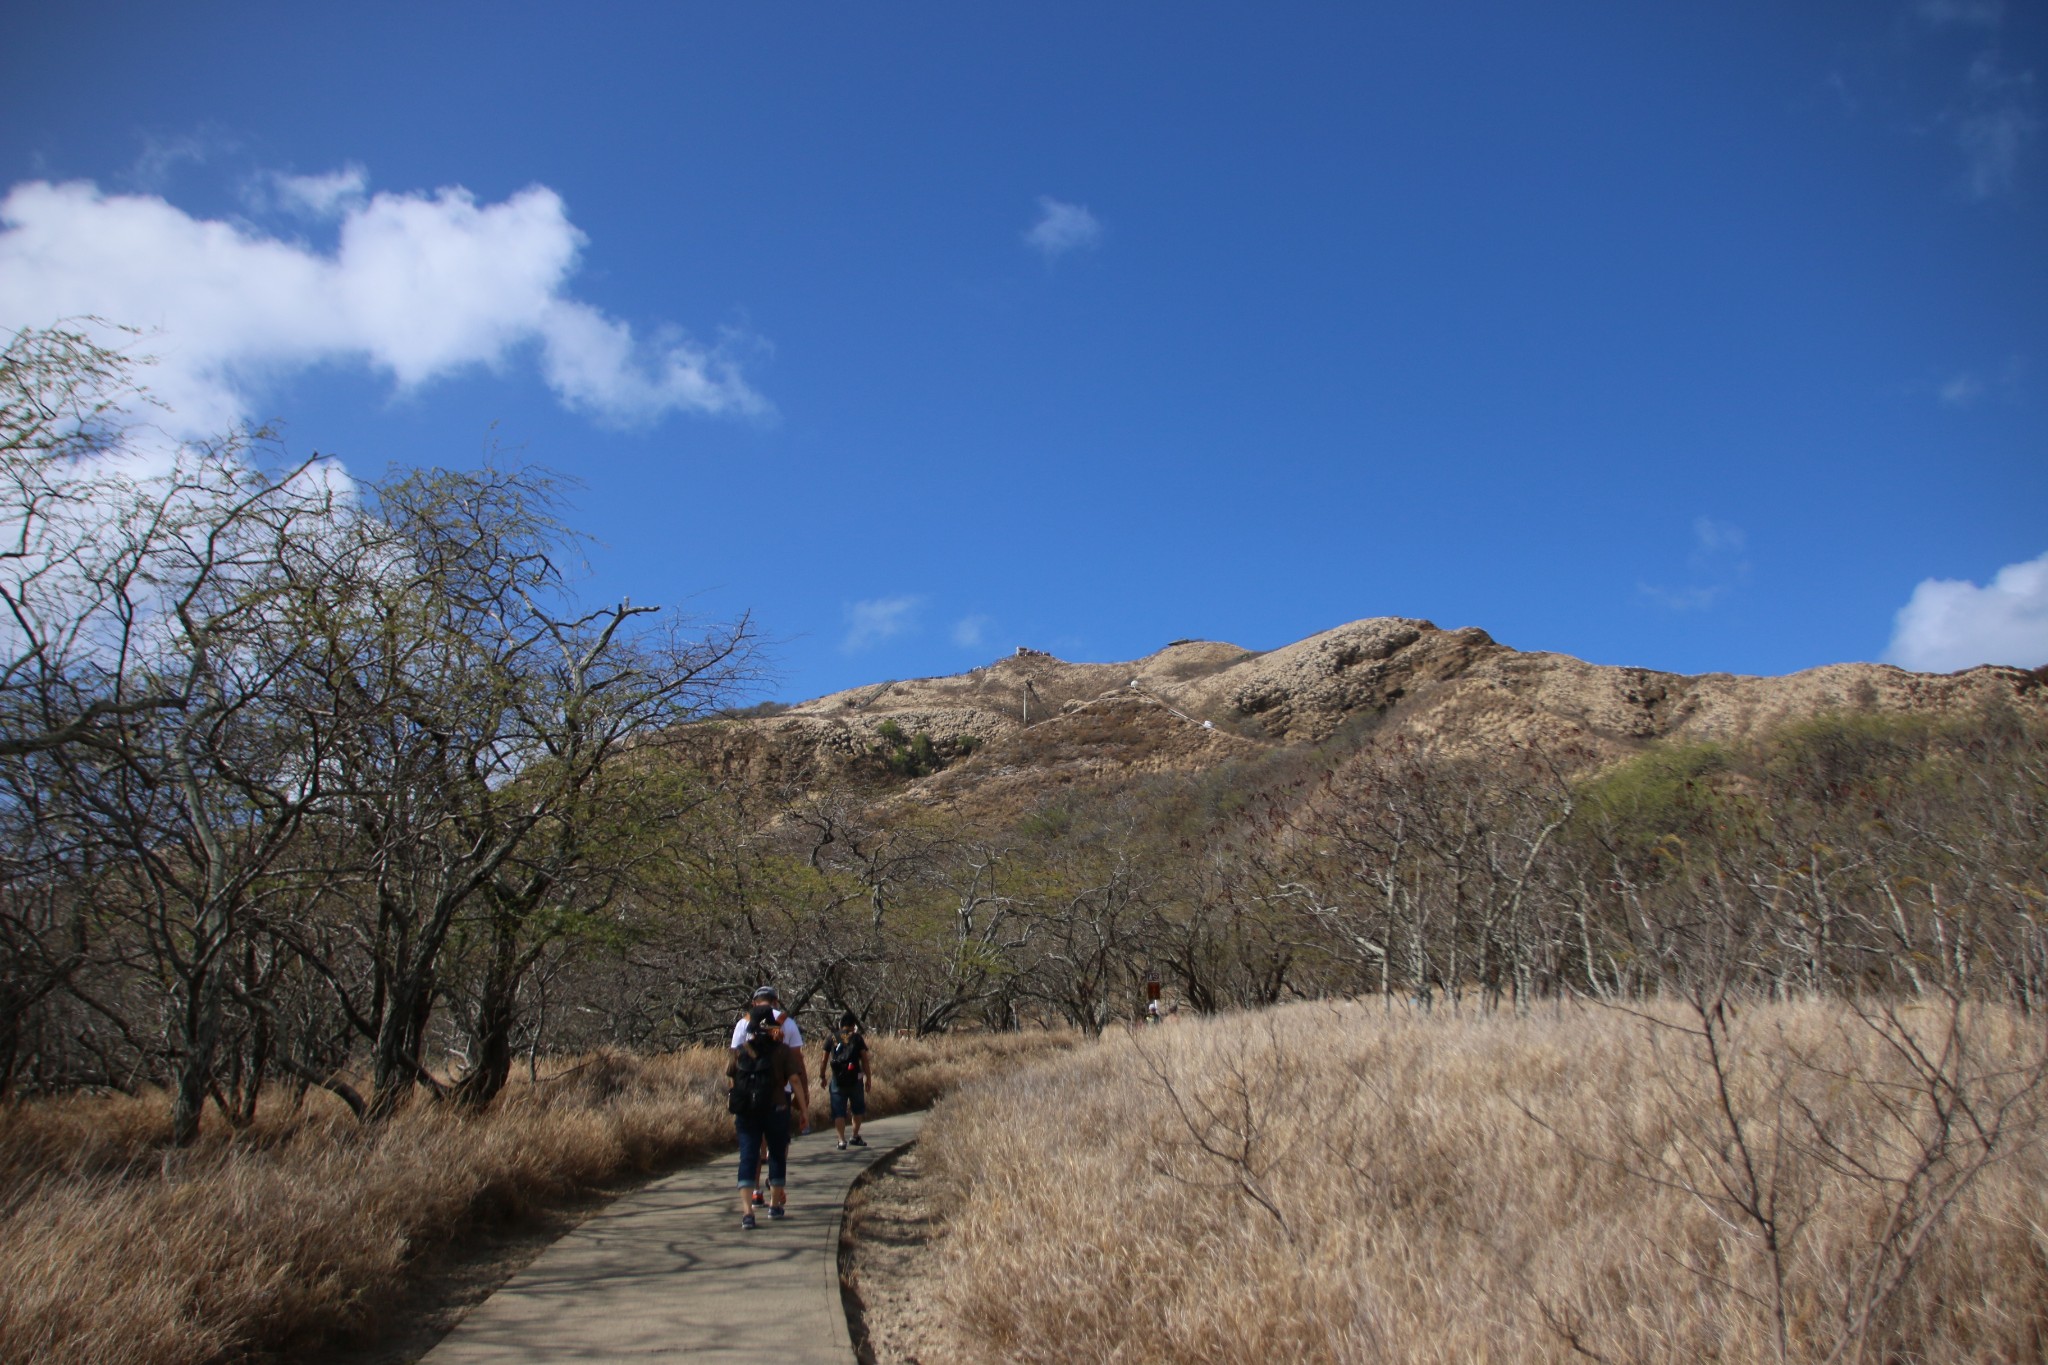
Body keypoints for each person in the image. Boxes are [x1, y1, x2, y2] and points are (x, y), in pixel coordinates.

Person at [727, 1003, 811, 1229]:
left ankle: (747, 1213)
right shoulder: (781, 1050)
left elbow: (732, 1080)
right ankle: (774, 1205)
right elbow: (794, 1080)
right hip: (776, 1108)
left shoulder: (742, 1050)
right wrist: (804, 1111)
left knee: (748, 1156)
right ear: (772, 1026)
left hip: (747, 1112)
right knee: (776, 1155)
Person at [820, 1011, 871, 1150]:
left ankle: (841, 1140)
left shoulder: (832, 1037)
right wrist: (868, 1079)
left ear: (841, 1024)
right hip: (855, 1078)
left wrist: (822, 1076)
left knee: (838, 1111)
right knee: (858, 1110)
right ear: (853, 1025)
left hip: (837, 1079)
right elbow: (865, 1060)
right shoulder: (857, 1038)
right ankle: (854, 1136)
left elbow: (824, 1059)